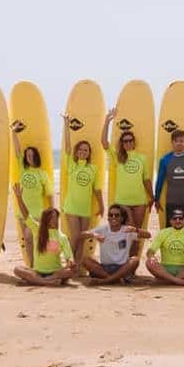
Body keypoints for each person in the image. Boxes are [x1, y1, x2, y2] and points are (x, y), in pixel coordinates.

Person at [60, 113, 105, 268]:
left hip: (85, 208)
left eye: (86, 150)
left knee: (82, 238)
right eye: (81, 150)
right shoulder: (71, 165)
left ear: (89, 153)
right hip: (71, 206)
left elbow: (97, 189)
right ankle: (69, 263)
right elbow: (66, 147)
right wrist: (66, 125)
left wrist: (102, 205)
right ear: (77, 151)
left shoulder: (93, 169)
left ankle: (76, 267)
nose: (83, 152)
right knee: (75, 237)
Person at [101, 108, 154, 229]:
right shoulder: (118, 157)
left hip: (140, 200)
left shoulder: (142, 158)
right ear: (122, 144)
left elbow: (146, 180)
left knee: (136, 232)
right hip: (123, 201)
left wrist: (152, 197)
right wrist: (107, 121)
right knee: (128, 230)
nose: (128, 143)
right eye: (125, 141)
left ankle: (134, 249)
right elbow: (104, 142)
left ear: (134, 142)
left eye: (130, 140)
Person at [12, 185, 75, 285]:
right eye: (52, 218)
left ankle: (41, 281)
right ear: (46, 220)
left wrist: (70, 261)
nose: (55, 220)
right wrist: (19, 198)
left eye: (56, 217)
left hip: (55, 272)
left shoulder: (62, 237)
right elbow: (26, 215)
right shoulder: (37, 229)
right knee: (17, 269)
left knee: (71, 271)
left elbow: (69, 256)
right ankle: (46, 282)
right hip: (38, 272)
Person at [12, 125, 53, 265]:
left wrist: (52, 212)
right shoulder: (23, 169)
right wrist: (13, 133)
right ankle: (32, 266)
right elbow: (17, 151)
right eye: (27, 155)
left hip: (36, 213)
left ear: (36, 157)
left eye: (32, 155)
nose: (29, 157)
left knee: (32, 238)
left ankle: (40, 265)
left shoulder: (42, 174)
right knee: (28, 240)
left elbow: (49, 194)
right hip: (22, 212)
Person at [80, 204, 149, 284]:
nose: (113, 217)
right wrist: (94, 235)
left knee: (135, 260)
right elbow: (81, 235)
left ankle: (106, 280)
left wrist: (136, 230)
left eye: (116, 215)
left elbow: (148, 235)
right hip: (105, 267)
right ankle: (114, 279)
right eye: (111, 215)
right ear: (108, 218)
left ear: (122, 218)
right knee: (85, 260)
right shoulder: (103, 229)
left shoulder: (127, 230)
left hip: (122, 267)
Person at [155, 129, 184, 232]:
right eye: (176, 141)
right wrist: (157, 199)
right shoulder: (165, 160)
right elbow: (160, 181)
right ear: (172, 142)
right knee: (171, 233)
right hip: (172, 202)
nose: (179, 143)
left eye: (181, 141)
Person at [145, 209, 184, 285]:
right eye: (174, 218)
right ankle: (179, 281)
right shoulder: (163, 233)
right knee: (149, 262)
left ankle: (168, 281)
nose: (178, 221)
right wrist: (152, 257)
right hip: (165, 269)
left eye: (181, 218)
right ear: (170, 221)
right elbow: (150, 251)